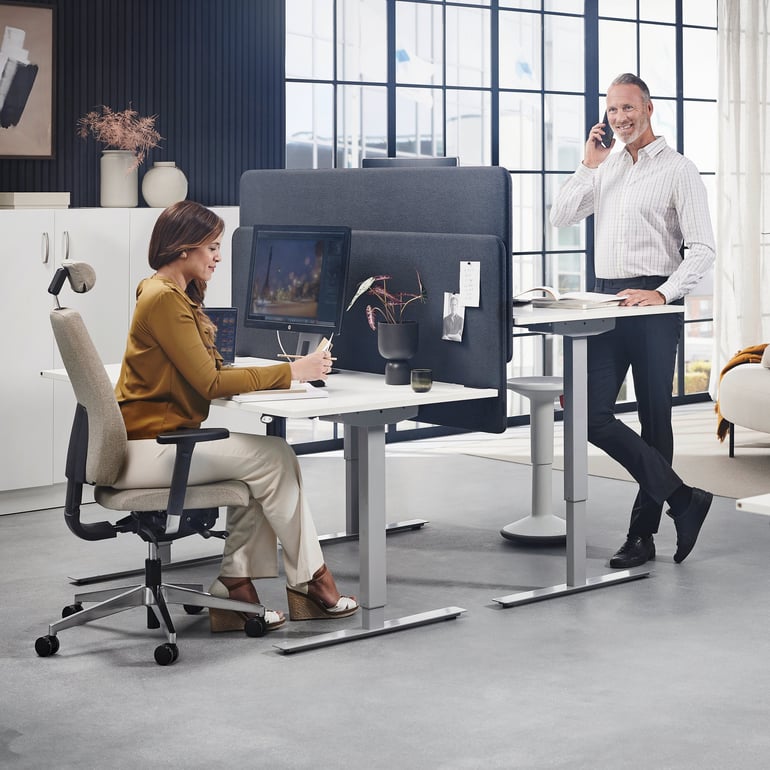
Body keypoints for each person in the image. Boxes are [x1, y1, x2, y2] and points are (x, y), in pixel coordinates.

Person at [113, 200, 358, 631]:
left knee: (263, 467)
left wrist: (282, 373)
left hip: (153, 441)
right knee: (275, 456)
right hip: (153, 448)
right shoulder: (164, 301)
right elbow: (210, 383)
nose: (218, 257)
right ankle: (311, 581)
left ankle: (235, 587)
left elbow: (209, 371)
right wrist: (291, 372)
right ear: (183, 248)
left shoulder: (160, 292)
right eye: (212, 247)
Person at [550, 73, 716, 569]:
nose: (619, 118)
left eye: (628, 108)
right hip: (606, 300)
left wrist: (661, 292)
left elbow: (703, 248)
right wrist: (586, 165)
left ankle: (642, 536)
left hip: (653, 302)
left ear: (648, 108)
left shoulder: (680, 170)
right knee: (588, 413)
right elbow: (560, 217)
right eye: (612, 110)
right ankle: (684, 500)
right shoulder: (605, 167)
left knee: (653, 421)